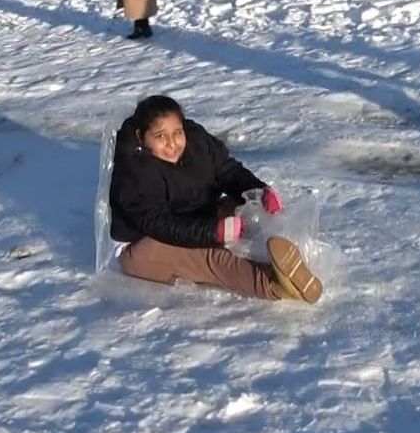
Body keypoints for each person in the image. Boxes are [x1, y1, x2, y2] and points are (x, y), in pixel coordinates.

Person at [109, 95, 323, 303]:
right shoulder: (135, 169)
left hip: (194, 217)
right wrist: (212, 232)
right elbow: (157, 222)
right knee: (211, 258)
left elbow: (227, 171)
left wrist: (258, 192)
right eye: (160, 136)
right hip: (143, 245)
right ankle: (273, 283)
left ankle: (284, 256)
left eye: (177, 132)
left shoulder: (197, 140)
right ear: (140, 136)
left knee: (244, 210)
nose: (172, 143)